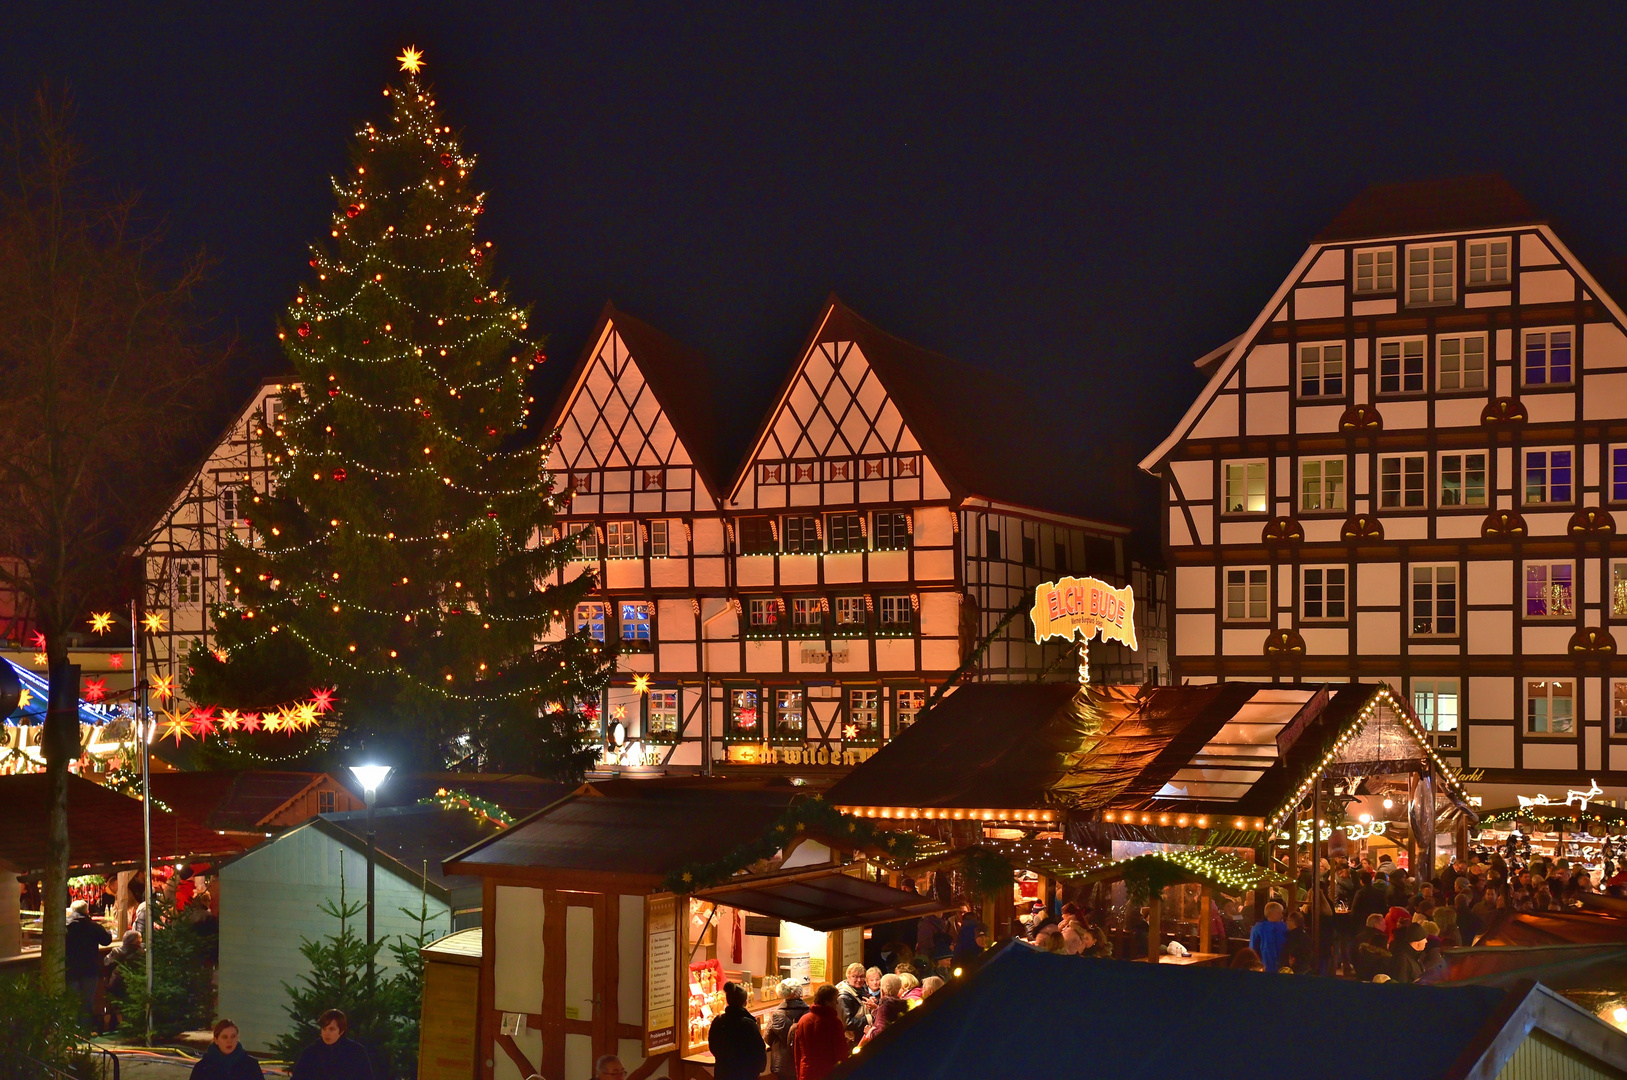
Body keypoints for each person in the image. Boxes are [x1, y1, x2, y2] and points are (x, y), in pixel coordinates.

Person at [291, 1009, 374, 1080]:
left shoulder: (356, 1051)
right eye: (324, 1029)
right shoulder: (310, 1052)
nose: (327, 1033)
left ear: (341, 1031)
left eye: (332, 1029)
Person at [708, 981, 767, 1080]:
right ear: (745, 1002)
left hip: (723, 1072)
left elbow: (713, 1046)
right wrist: (758, 1069)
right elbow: (759, 1050)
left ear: (727, 1001)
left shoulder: (718, 1021)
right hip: (746, 1073)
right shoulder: (749, 1024)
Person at [65, 899, 111, 1024]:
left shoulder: (66, 926)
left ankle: (71, 1031)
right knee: (87, 1001)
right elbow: (106, 940)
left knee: (72, 1001)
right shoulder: (93, 926)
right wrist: (110, 932)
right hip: (89, 969)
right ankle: (85, 1030)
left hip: (70, 968)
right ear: (87, 911)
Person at [791, 983, 850, 1080]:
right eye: (835, 999)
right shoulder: (833, 1022)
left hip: (807, 1071)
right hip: (829, 1072)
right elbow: (841, 1052)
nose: (837, 1003)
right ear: (827, 1002)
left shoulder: (803, 1020)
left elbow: (798, 1052)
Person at [190, 1019, 265, 1080]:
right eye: (224, 1037)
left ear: (238, 1038)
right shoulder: (202, 1068)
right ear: (216, 1040)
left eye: (233, 1036)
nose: (229, 1041)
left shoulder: (251, 1066)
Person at [765, 978, 808, 1080]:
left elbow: (767, 1038)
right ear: (800, 992)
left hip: (783, 1063)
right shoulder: (809, 1012)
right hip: (804, 1060)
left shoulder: (777, 1014)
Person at [861, 974, 907, 1044]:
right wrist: (877, 1008)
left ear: (882, 991)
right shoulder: (901, 1005)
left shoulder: (885, 1006)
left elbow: (881, 1032)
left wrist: (870, 1032)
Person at [1248, 901, 1287, 974]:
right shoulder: (1259, 928)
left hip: (1282, 965)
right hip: (1264, 965)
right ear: (1271, 913)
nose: (1281, 915)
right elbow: (1253, 948)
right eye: (1279, 913)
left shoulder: (1284, 927)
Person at [835, 963, 870, 1040]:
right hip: (850, 1039)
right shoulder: (843, 997)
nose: (859, 980)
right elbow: (847, 1023)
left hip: (861, 1035)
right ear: (848, 977)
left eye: (862, 977)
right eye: (855, 977)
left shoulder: (861, 989)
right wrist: (869, 1019)